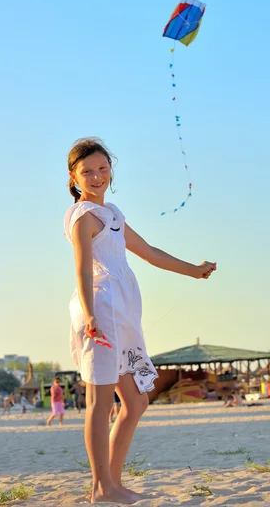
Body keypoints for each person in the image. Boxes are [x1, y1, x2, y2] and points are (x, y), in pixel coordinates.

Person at [64, 137, 217, 504]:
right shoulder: (82, 216)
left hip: (122, 314)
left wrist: (194, 271)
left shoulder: (112, 214)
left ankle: (112, 483)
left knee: (135, 403)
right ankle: (101, 488)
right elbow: (83, 270)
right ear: (74, 177)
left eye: (103, 168)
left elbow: (148, 252)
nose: (97, 176)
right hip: (99, 311)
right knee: (100, 403)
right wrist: (89, 314)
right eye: (88, 171)